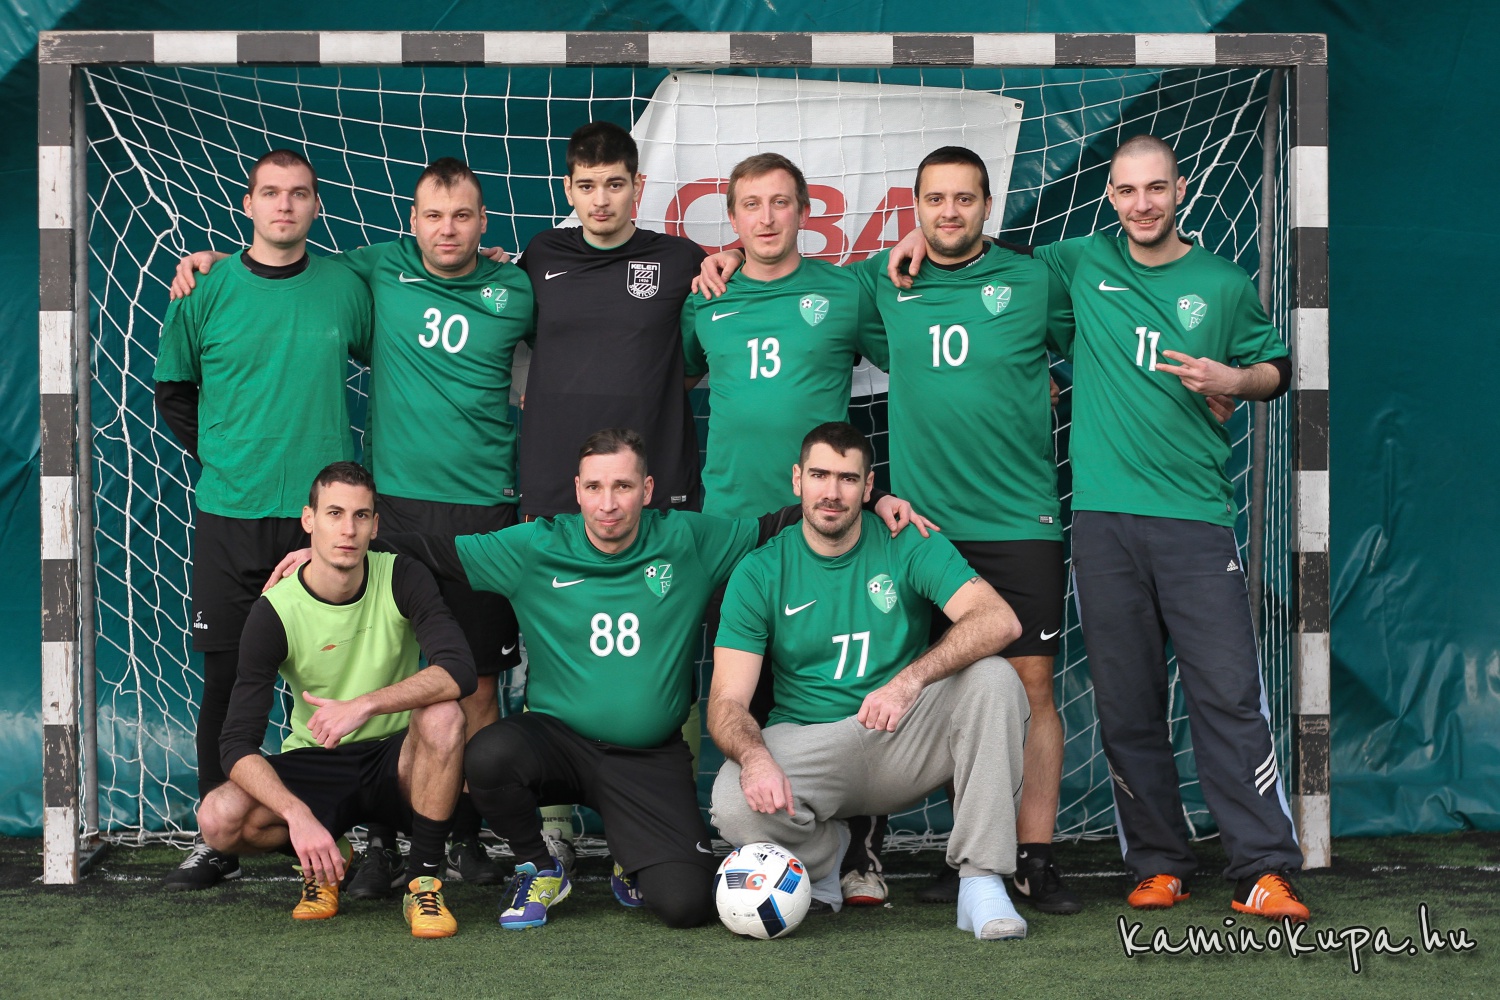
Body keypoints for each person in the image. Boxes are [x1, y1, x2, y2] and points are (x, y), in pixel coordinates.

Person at [268, 428, 927, 929]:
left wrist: (878, 499)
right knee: (486, 752)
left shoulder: (689, 539)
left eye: (622, 488)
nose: (608, 504)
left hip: (645, 757)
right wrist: (333, 547)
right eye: (594, 488)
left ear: (647, 489)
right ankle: (540, 865)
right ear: (577, 490)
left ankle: (630, 856)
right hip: (556, 742)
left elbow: (782, 520)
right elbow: (429, 547)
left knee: (687, 905)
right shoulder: (535, 545)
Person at [890, 135, 1306, 920]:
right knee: (1127, 703)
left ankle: (1263, 866)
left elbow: (1277, 369)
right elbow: (975, 251)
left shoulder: (1220, 283)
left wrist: (1234, 378)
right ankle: (1158, 862)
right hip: (1103, 524)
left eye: (1156, 188)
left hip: (1195, 520)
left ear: (1180, 189)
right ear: (1109, 196)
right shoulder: (1079, 262)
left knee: (1226, 695)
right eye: (1127, 191)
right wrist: (918, 235)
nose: (1142, 204)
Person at [171, 156, 533, 894]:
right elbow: (193, 371)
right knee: (301, 673)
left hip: (430, 509)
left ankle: (449, 838)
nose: (448, 229)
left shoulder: (485, 286)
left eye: (463, 216)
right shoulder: (322, 276)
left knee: (443, 681)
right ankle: (323, 841)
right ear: (412, 221)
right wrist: (209, 263)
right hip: (323, 508)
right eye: (434, 216)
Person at [707, 422, 1033, 940]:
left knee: (994, 678)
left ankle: (981, 881)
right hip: (812, 742)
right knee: (731, 802)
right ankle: (828, 859)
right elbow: (726, 701)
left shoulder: (907, 542)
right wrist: (755, 758)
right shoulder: (760, 570)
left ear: (868, 486)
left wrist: (909, 681)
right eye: (819, 476)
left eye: (847, 478)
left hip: (901, 733)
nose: (832, 492)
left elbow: (999, 620)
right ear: (797, 480)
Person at [154, 149, 372, 890]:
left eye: (299, 194)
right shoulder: (204, 289)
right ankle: (219, 835)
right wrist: (228, 458)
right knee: (227, 677)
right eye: (271, 193)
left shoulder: (345, 286)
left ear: (316, 206)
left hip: (322, 521)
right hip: (232, 515)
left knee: (341, 674)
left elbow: (409, 302)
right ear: (248, 204)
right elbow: (174, 389)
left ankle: (359, 831)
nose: (285, 205)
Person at [198, 462, 475, 938]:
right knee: (217, 818)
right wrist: (297, 815)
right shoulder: (275, 610)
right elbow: (236, 745)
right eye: (334, 514)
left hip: (398, 759)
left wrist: (363, 705)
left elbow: (459, 670)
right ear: (309, 520)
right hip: (318, 759)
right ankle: (330, 858)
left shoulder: (402, 576)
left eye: (360, 515)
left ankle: (424, 883)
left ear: (375, 525)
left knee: (445, 715)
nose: (348, 529)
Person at [515, 121, 705, 520]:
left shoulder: (679, 259)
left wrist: (736, 255)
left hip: (653, 473)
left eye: (615, 185)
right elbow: (510, 326)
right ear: (568, 189)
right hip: (554, 470)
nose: (600, 201)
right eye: (586, 186)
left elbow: (719, 331)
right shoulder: (543, 253)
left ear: (638, 185)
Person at [681, 152, 879, 518]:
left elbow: (910, 365)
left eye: (780, 203)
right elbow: (678, 382)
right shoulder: (705, 296)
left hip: (820, 513)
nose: (766, 219)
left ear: (803, 213)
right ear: (733, 219)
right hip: (729, 515)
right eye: (751, 205)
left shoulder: (846, 292)